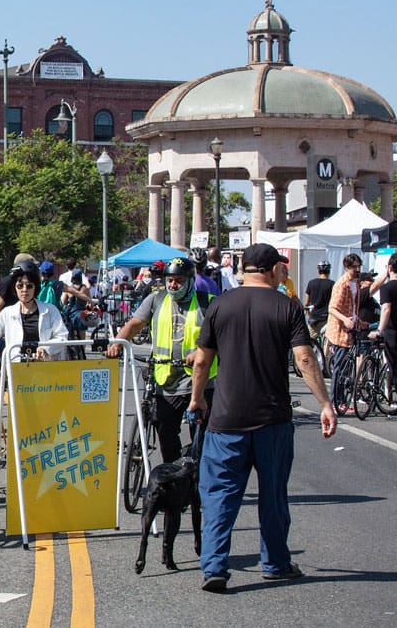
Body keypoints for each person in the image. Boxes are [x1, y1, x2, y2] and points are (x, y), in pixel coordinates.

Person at [188, 243, 336, 592]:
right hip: (272, 419)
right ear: (272, 270)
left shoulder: (220, 305)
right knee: (273, 494)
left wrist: (198, 400)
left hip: (226, 419)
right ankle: (275, 562)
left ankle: (214, 568)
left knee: (220, 495)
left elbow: (201, 361)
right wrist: (325, 404)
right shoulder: (287, 307)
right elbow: (304, 359)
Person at [107, 257, 215, 463]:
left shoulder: (207, 302)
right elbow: (135, 324)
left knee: (201, 438)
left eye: (179, 280)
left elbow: (221, 335)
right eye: (170, 280)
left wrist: (200, 353)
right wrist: (117, 344)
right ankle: (173, 475)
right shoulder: (156, 299)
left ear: (191, 280)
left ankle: (198, 481)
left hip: (199, 382)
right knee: (165, 432)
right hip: (167, 381)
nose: (173, 285)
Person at [325, 253, 363, 410]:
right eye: (354, 267)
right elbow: (332, 308)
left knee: (347, 368)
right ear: (347, 267)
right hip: (340, 331)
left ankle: (342, 401)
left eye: (358, 266)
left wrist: (359, 321)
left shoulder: (355, 283)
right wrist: (345, 320)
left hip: (351, 329)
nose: (357, 269)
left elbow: (352, 308)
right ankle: (335, 401)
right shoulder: (342, 284)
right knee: (340, 367)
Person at [369, 254, 397, 368]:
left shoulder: (387, 287)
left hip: (392, 331)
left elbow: (386, 309)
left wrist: (380, 330)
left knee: (393, 366)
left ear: (389, 268)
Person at [304, 261, 334, 336]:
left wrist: (309, 314)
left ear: (318, 271)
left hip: (314, 318)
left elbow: (307, 303)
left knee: (309, 342)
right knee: (326, 343)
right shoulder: (332, 284)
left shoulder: (311, 283)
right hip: (326, 318)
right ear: (329, 271)